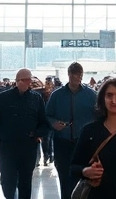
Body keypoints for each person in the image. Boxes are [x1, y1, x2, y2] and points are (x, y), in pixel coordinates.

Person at [0, 68, 49, 199]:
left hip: (28, 147)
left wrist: (38, 135)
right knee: (7, 180)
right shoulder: (3, 98)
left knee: (25, 181)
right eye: (27, 80)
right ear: (18, 81)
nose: (29, 83)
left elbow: (44, 122)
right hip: (7, 147)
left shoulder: (36, 98)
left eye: (30, 80)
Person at [46, 62, 97, 199]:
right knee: (64, 176)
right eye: (73, 76)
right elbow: (47, 115)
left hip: (84, 143)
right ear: (68, 75)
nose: (76, 79)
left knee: (84, 177)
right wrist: (54, 123)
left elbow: (99, 117)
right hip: (62, 142)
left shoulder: (91, 95)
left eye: (79, 76)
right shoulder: (57, 95)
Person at [40, 78, 56, 166]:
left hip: (51, 122)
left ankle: (50, 155)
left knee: (50, 140)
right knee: (46, 140)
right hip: (45, 122)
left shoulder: (54, 94)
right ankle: (47, 156)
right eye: (47, 82)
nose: (48, 84)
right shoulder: (42, 94)